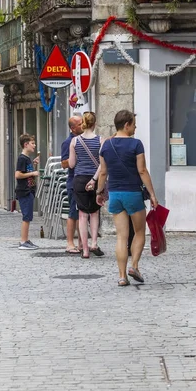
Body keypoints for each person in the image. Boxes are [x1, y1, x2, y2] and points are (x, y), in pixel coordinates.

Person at [97, 110, 158, 286]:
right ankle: (135, 266)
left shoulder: (106, 146)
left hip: (115, 195)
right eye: (133, 124)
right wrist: (152, 194)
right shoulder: (136, 144)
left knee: (121, 237)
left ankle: (122, 276)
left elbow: (103, 172)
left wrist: (99, 193)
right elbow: (142, 171)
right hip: (132, 194)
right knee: (139, 233)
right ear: (127, 125)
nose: (135, 127)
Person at [68, 112, 104, 259]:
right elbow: (103, 164)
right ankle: (94, 242)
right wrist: (94, 179)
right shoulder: (101, 140)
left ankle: (85, 250)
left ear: (82, 123)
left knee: (82, 214)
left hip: (80, 179)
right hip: (95, 179)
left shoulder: (75, 141)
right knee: (94, 212)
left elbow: (71, 164)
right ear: (94, 124)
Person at [61, 115, 83, 254]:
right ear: (73, 128)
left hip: (82, 180)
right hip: (73, 180)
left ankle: (82, 242)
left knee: (83, 213)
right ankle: (70, 243)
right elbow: (63, 163)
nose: (83, 125)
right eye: (80, 124)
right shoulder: (68, 142)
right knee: (73, 213)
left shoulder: (83, 140)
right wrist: (75, 158)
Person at [15, 133, 40, 250]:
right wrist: (33, 173)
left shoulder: (27, 159)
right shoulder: (22, 158)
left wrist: (33, 165)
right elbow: (18, 174)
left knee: (28, 216)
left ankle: (26, 239)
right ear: (26, 144)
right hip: (24, 191)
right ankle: (23, 241)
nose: (34, 146)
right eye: (32, 143)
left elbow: (26, 173)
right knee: (26, 217)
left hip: (29, 190)